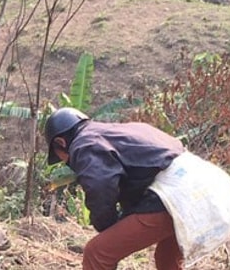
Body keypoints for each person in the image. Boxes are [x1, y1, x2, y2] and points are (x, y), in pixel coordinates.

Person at [45, 107, 191, 270]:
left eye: (62, 158)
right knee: (168, 259)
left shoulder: (84, 143)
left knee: (97, 253)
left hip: (173, 193)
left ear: (61, 143)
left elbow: (100, 187)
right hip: (200, 188)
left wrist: (106, 225)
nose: (67, 163)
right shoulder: (113, 132)